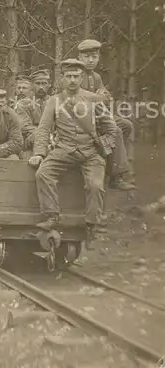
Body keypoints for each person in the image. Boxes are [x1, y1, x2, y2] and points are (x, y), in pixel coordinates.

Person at [29, 58, 117, 237]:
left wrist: (104, 145)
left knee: (96, 186)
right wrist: (39, 153)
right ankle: (52, 216)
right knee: (43, 173)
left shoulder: (93, 100)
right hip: (64, 150)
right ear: (62, 78)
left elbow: (111, 128)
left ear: (82, 77)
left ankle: (92, 224)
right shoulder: (54, 101)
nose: (72, 80)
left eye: (76, 76)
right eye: (68, 76)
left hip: (91, 152)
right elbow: (43, 129)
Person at [77, 39, 135, 190]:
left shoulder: (96, 77)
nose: (91, 60)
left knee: (126, 125)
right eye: (87, 56)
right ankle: (116, 178)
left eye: (94, 56)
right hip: (80, 122)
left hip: (97, 117)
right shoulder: (75, 75)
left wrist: (105, 97)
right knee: (114, 130)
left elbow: (103, 99)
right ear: (79, 57)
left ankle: (111, 161)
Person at [16, 69, 51, 153]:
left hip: (53, 138)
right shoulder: (23, 104)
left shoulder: (55, 102)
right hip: (31, 139)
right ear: (32, 86)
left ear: (49, 85)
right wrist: (46, 135)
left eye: (44, 83)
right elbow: (25, 126)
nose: (41, 87)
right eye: (38, 84)